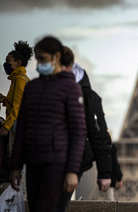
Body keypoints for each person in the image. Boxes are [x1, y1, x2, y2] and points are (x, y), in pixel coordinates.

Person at [9, 36, 86, 212]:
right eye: (37, 59)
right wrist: (16, 166)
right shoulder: (31, 87)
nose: (38, 65)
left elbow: (78, 132)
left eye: (42, 59)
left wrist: (72, 170)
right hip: (33, 161)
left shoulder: (71, 88)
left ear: (56, 57)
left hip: (56, 162)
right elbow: (21, 130)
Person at [54, 46, 112, 211]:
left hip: (73, 159)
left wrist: (105, 172)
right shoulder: (44, 90)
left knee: (56, 206)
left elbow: (98, 134)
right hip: (47, 156)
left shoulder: (88, 97)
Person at [0, 41, 33, 194]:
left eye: (8, 61)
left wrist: (7, 125)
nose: (5, 64)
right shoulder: (17, 79)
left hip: (18, 126)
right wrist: (4, 99)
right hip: (19, 124)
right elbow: (13, 102)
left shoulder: (20, 79)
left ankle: (20, 195)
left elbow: (18, 106)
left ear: (17, 63)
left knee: (16, 159)